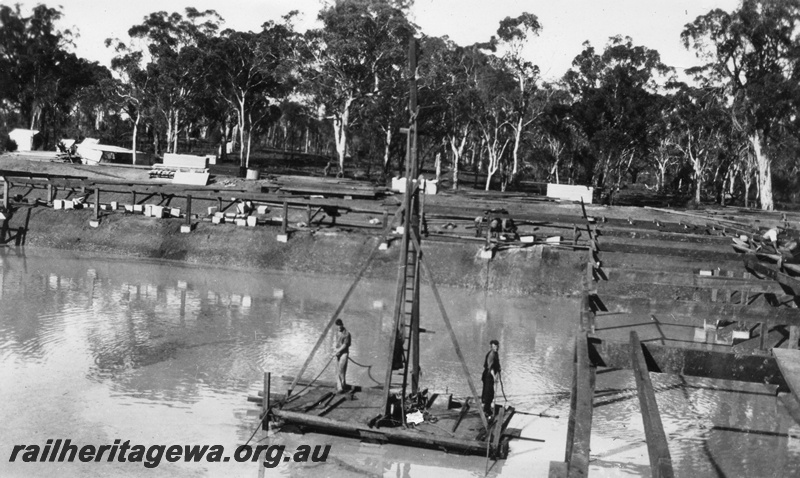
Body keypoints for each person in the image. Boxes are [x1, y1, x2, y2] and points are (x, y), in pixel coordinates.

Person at [481, 339, 501, 419]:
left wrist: (499, 368)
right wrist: (494, 376)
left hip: (490, 375)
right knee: (488, 393)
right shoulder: (491, 354)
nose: (496, 347)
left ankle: (487, 408)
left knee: (489, 393)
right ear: (491, 347)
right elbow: (490, 368)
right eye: (494, 346)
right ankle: (486, 411)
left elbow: (496, 364)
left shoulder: (496, 353)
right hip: (488, 375)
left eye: (497, 346)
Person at [332, 319, 351, 393]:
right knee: (337, 370)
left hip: (344, 353)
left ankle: (342, 385)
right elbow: (335, 341)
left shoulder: (347, 333)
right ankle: (340, 386)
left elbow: (345, 345)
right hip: (337, 353)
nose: (339, 328)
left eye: (340, 326)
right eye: (337, 326)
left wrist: (338, 350)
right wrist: (334, 349)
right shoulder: (336, 332)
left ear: (342, 325)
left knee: (342, 369)